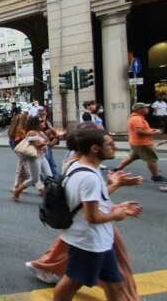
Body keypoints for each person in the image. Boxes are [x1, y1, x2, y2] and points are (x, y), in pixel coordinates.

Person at [52, 126, 143, 301]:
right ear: (95, 148)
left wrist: (116, 188)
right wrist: (117, 213)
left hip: (98, 240)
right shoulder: (90, 178)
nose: (114, 147)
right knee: (72, 282)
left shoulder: (79, 167)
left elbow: (92, 202)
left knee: (115, 284)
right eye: (109, 144)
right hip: (89, 241)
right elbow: (92, 217)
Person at [115, 102, 167, 187]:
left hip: (136, 142)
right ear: (139, 110)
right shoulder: (137, 119)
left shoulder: (137, 118)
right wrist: (154, 133)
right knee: (151, 159)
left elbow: (144, 129)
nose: (147, 109)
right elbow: (139, 132)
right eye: (145, 107)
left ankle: (117, 169)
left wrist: (153, 130)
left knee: (132, 157)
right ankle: (156, 176)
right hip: (142, 143)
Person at [12, 116, 52, 201]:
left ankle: (49, 194)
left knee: (49, 176)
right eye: (41, 121)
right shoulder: (31, 133)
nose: (43, 123)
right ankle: (17, 191)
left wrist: (56, 135)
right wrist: (46, 141)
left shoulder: (41, 132)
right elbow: (37, 145)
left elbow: (50, 144)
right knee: (34, 179)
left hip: (42, 156)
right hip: (34, 158)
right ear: (36, 123)